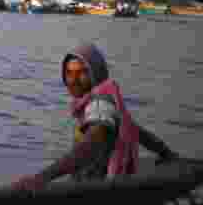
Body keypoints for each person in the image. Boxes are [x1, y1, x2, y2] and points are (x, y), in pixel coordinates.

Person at [13, 43, 178, 193]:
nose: (74, 81)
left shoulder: (100, 104)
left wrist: (42, 178)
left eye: (82, 73)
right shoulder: (105, 99)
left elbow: (91, 143)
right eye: (69, 73)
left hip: (98, 190)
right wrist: (165, 153)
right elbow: (137, 132)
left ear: (96, 73)